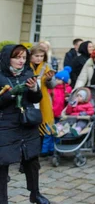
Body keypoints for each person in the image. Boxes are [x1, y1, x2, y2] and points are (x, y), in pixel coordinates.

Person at [0, 45, 50, 204]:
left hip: (27, 123)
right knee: (2, 163)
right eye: (17, 57)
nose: (21, 61)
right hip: (6, 125)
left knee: (32, 161)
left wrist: (35, 89)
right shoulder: (0, 76)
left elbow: (36, 99)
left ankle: (35, 193)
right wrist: (11, 94)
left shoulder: (28, 73)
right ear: (8, 58)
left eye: (23, 57)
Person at [29, 44, 57, 156]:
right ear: (31, 56)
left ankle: (39, 150)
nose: (39, 58)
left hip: (43, 99)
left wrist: (49, 79)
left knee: (42, 123)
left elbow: (52, 85)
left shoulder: (46, 67)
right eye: (36, 56)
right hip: (29, 98)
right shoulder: (27, 66)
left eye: (41, 56)